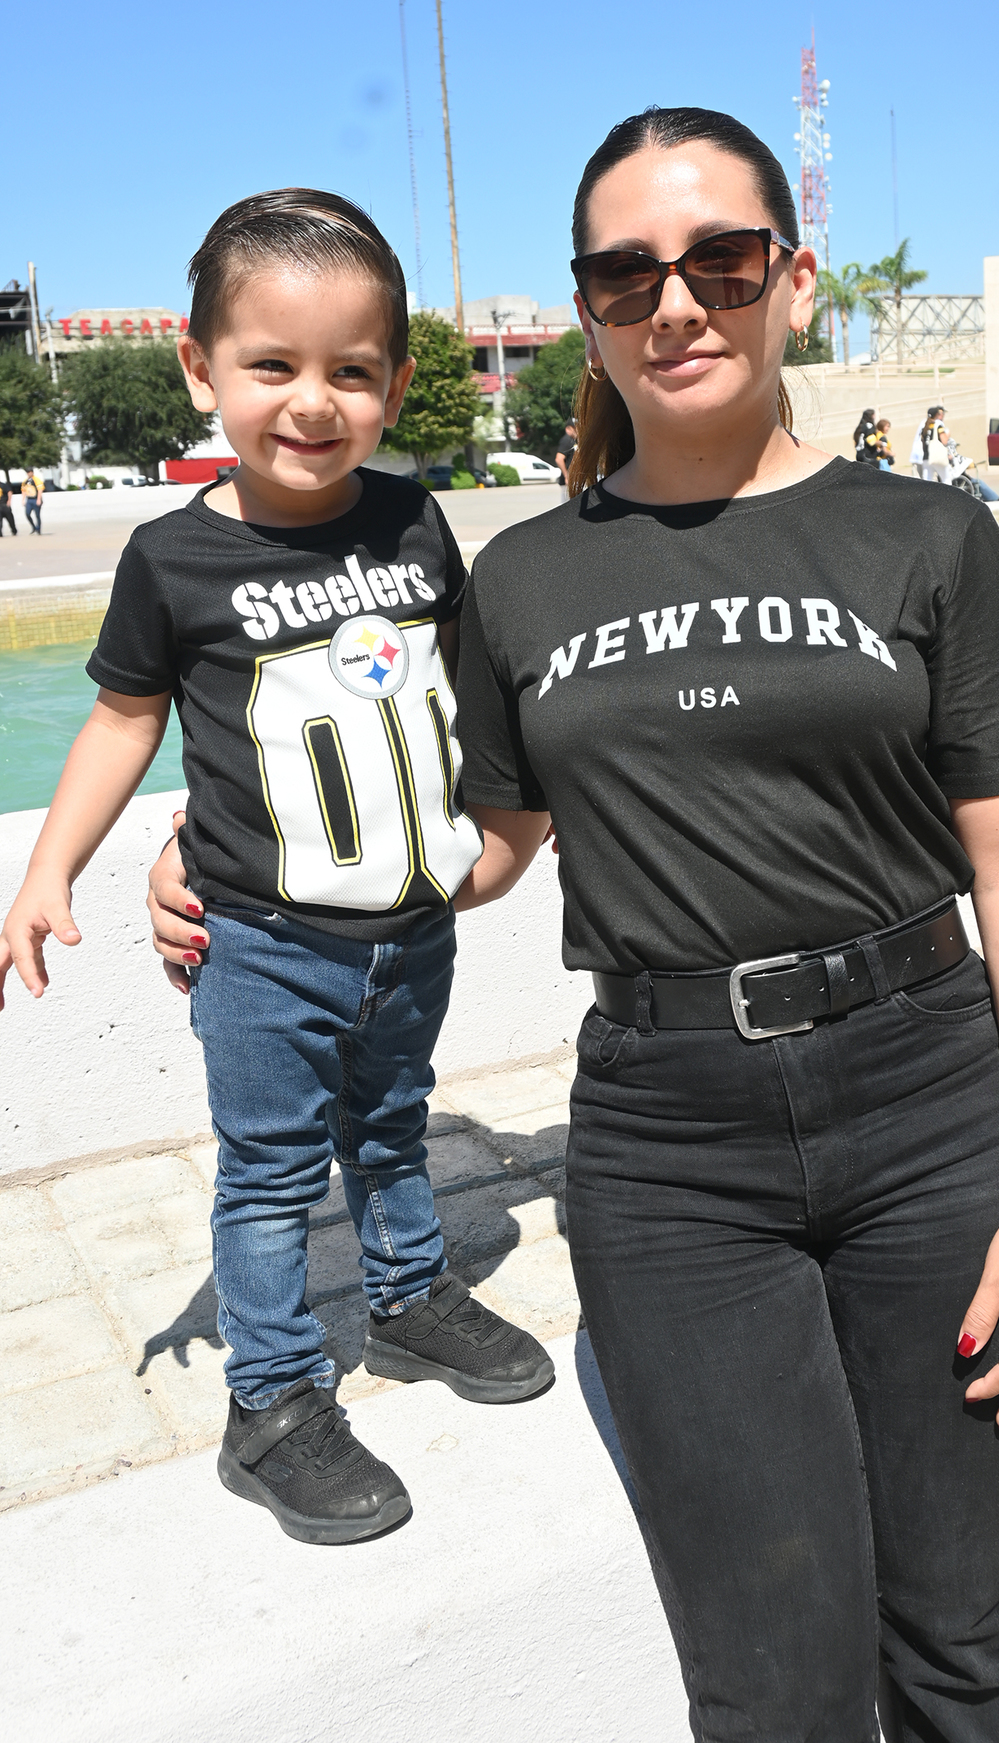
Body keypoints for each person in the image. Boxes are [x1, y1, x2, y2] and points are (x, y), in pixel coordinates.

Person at [149, 110, 999, 1738]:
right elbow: (480, 841)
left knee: (970, 1638)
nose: (677, 303)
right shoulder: (521, 578)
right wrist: (244, 856)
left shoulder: (929, 535)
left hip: (931, 1112)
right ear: (587, 305)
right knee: (772, 1683)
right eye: (626, 273)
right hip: (671, 1148)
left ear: (792, 279)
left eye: (723, 261)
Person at [0, 189, 552, 1547]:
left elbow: (462, 691)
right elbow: (125, 720)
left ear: (396, 386)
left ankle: (408, 1296)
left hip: (410, 931)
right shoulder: (171, 557)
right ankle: (273, 1398)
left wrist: (512, 822)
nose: (312, 401)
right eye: (271, 365)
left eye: (351, 371)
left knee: (395, 1123)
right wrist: (51, 866)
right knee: (267, 1174)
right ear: (201, 369)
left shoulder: (414, 522)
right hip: (260, 945)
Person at [910, 404, 948, 482]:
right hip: (935, 456)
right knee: (946, 479)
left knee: (927, 481)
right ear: (937, 415)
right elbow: (944, 441)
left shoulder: (924, 425)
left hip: (925, 457)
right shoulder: (938, 424)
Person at [554, 418, 578, 488]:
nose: (577, 430)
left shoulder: (573, 440)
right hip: (568, 481)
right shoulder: (567, 440)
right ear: (568, 429)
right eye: (575, 428)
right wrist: (566, 476)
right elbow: (559, 459)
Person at [21, 468, 43, 533]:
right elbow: (23, 490)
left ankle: (38, 528)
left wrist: (39, 499)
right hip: (29, 499)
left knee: (37, 515)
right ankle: (33, 527)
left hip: (35, 499)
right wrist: (23, 499)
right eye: (27, 472)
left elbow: (40, 490)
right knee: (27, 514)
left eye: (29, 472)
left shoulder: (36, 480)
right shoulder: (25, 481)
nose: (28, 474)